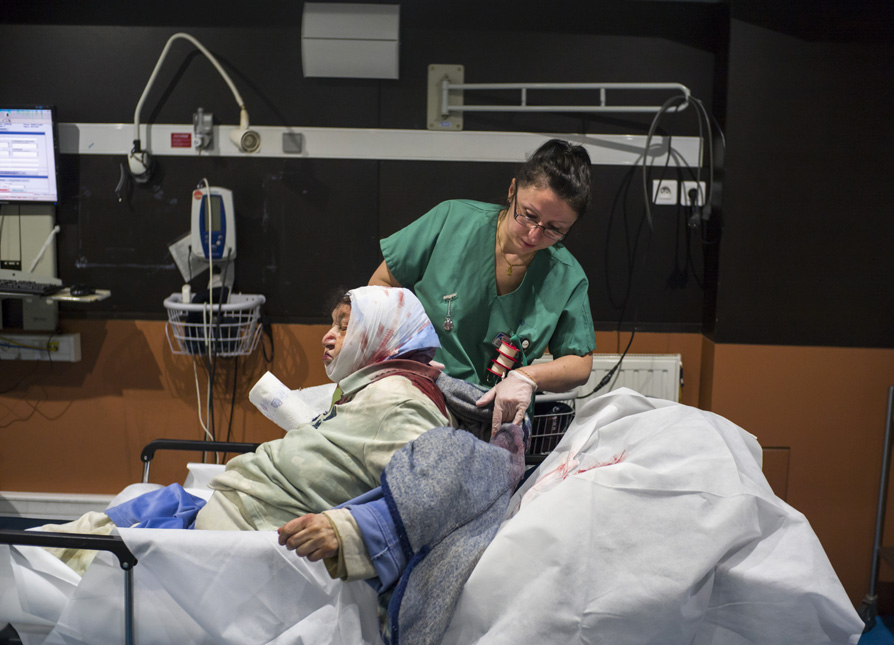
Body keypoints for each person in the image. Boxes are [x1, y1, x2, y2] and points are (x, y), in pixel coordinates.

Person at [38, 286, 453, 580]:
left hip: (240, 536)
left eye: (344, 326)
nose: (327, 337)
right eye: (332, 324)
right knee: (88, 529)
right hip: (232, 508)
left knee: (75, 554)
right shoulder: (373, 388)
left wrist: (349, 528)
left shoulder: (404, 402)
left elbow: (428, 496)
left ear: (382, 334)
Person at [370, 139, 597, 434]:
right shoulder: (452, 221)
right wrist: (403, 355)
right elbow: (381, 284)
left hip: (496, 415)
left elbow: (580, 362)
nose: (534, 234)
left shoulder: (566, 277)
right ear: (512, 190)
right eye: (528, 215)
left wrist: (528, 377)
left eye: (555, 229)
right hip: (420, 393)